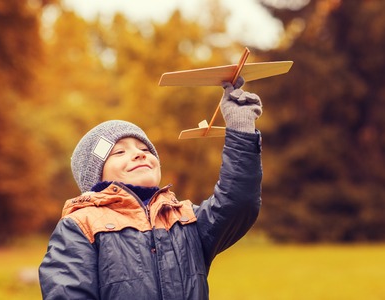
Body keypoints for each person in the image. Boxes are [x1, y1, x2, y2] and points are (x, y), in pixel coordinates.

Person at [39, 77, 263, 300]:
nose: (140, 153)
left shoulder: (186, 219)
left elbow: (238, 202)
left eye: (145, 148)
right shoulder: (81, 226)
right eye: (119, 152)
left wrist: (241, 132)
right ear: (95, 175)